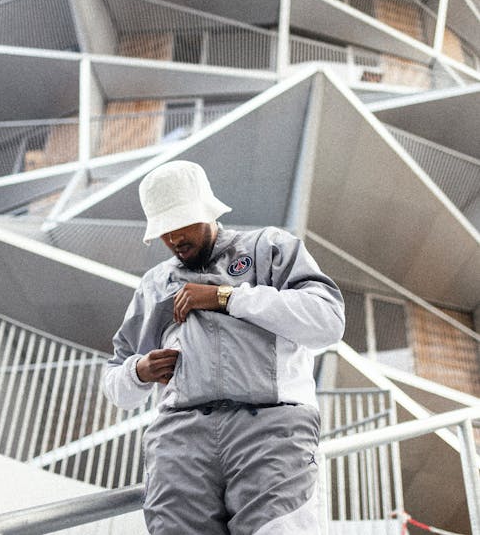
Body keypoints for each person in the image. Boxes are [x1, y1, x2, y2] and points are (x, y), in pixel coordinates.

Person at [103, 160, 345, 534]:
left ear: (207, 210)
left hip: (270, 428)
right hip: (179, 440)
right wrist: (139, 371)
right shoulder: (154, 285)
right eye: (164, 231)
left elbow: (327, 321)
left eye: (182, 224)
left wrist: (227, 297)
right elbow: (115, 378)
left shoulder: (269, 247)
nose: (173, 239)